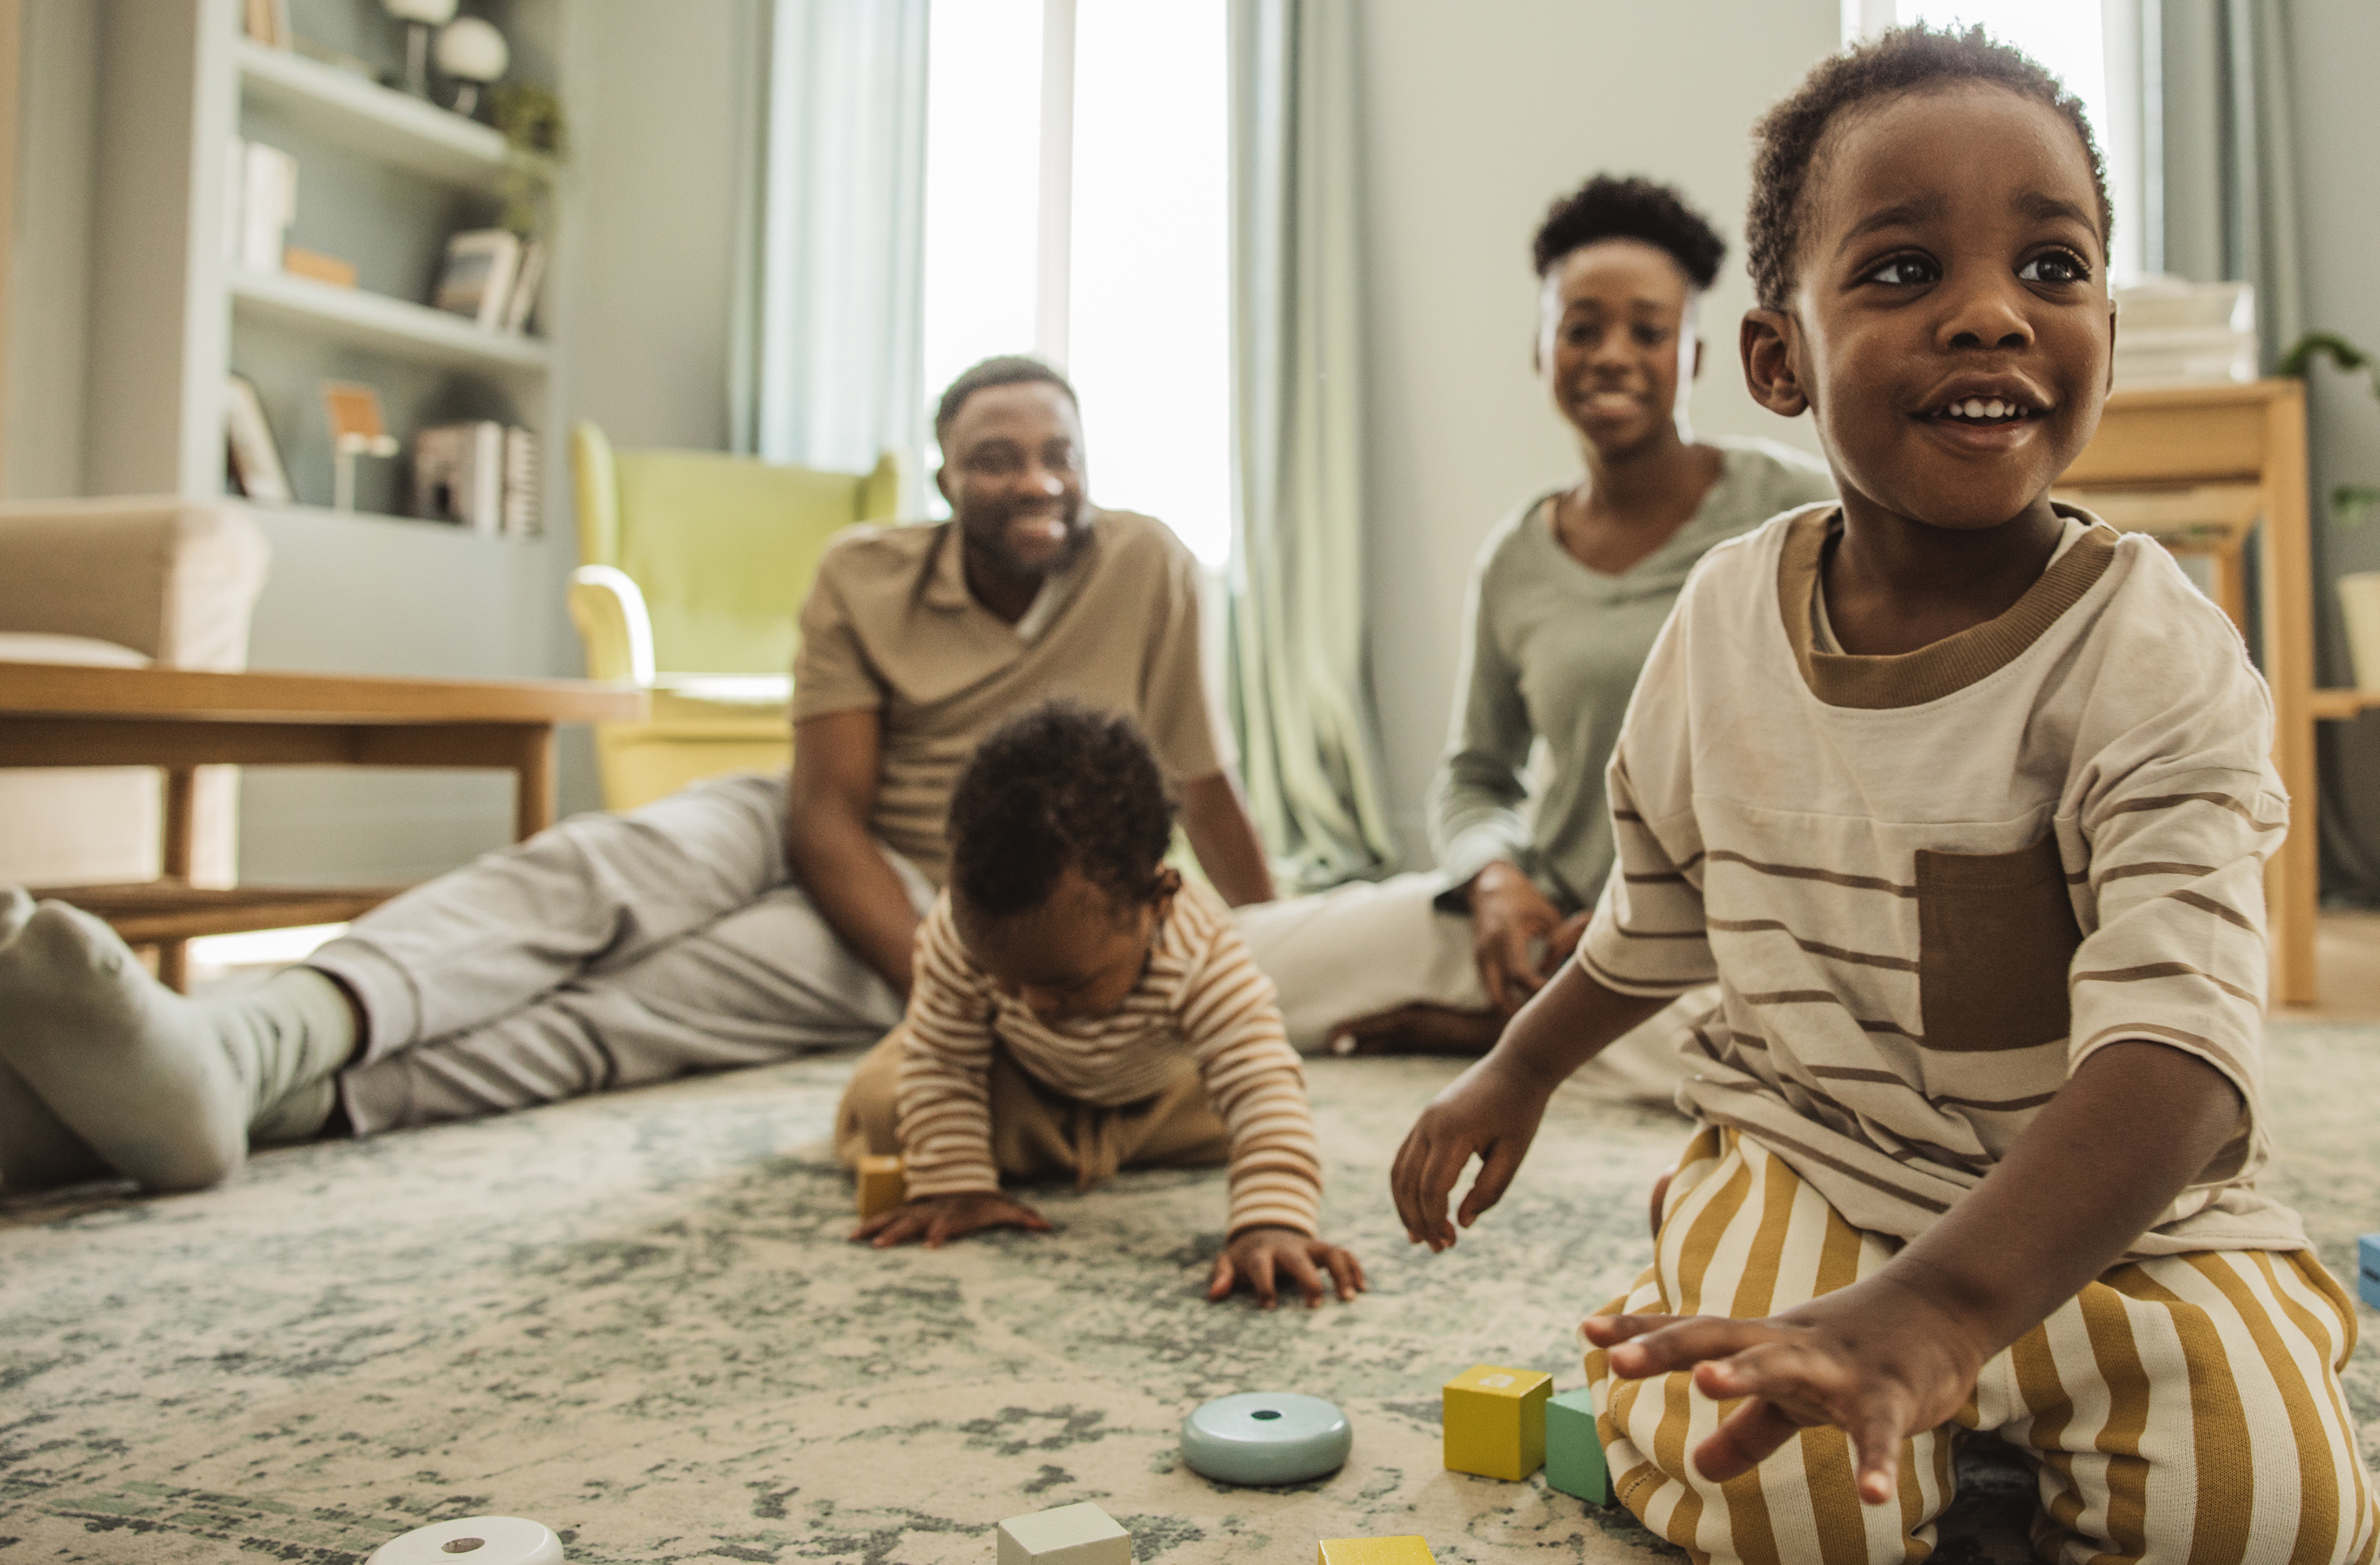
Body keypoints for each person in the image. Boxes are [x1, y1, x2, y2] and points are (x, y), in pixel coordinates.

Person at [1390, 27, 2377, 1565]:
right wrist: (1516, 1069)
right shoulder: (1720, 621)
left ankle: (1979, 1368)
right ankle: (1848, 1335)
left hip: (2116, 1214)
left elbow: (2179, 1050)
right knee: (1771, 1506)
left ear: (2105, 325)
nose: (1991, 312)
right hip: (1819, 1154)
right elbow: (1656, 921)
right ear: (1777, 360)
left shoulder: (2156, 648)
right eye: (1904, 273)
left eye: (2051, 269)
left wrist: (1940, 1310)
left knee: (2265, 1524)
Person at [0, 356, 1278, 1195]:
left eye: (1058, 449)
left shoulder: (1150, 566)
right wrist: (951, 979)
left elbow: (1203, 784)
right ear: (945, 475)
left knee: (617, 1018)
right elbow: (824, 813)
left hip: (985, 910)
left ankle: (151, 1111)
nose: (1036, 478)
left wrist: (1270, 945)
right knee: (568, 883)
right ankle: (242, 1038)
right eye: (997, 455)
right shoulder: (862, 572)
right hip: (838, 858)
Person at [1236, 175, 1834, 1076]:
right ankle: (1538, 1017)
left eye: (1649, 329)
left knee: (1766, 1055)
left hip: (1714, 945)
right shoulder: (1518, 556)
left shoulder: (1795, 509)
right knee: (1238, 965)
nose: (1611, 355)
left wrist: (1661, 916)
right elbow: (1476, 776)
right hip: (1548, 923)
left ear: (1697, 355)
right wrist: (1492, 878)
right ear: (1542, 346)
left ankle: (1518, 1035)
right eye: (1581, 327)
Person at [840, 703, 1361, 1309]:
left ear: (1157, 902)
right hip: (1022, 1085)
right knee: (884, 1095)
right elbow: (946, 1062)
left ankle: (1069, 1155)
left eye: (1066, 986)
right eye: (1003, 980)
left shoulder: (1201, 952)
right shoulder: (959, 935)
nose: (1033, 1004)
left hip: (1159, 1099)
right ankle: (1009, 1155)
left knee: (1262, 1104)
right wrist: (957, 1184)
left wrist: (1270, 1224)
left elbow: (1261, 1088)